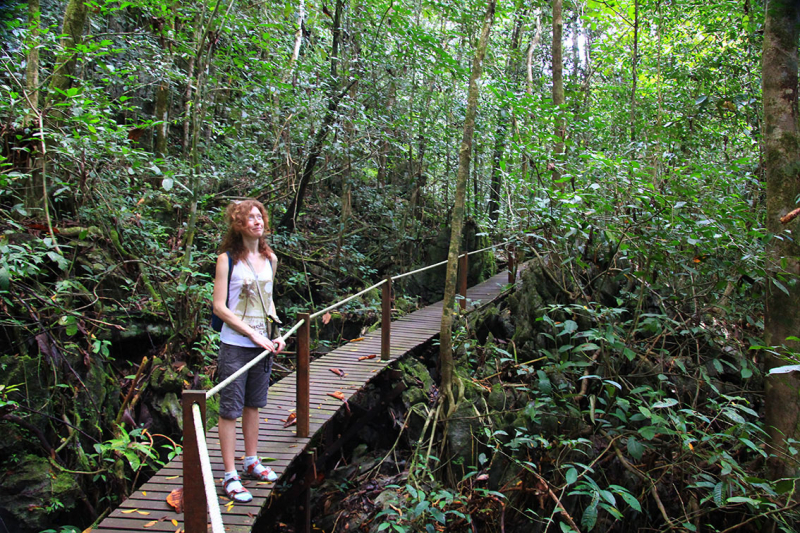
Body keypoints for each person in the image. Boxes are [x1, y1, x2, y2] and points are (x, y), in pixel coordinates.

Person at [212, 199, 286, 503]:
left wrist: (276, 333)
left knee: (253, 404)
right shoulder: (226, 260)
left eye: (260, 217)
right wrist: (253, 334)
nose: (257, 221)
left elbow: (268, 302)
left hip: (262, 344)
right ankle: (230, 474)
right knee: (230, 409)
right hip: (236, 344)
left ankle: (251, 460)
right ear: (239, 225)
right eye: (250, 218)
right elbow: (219, 307)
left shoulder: (271, 259)